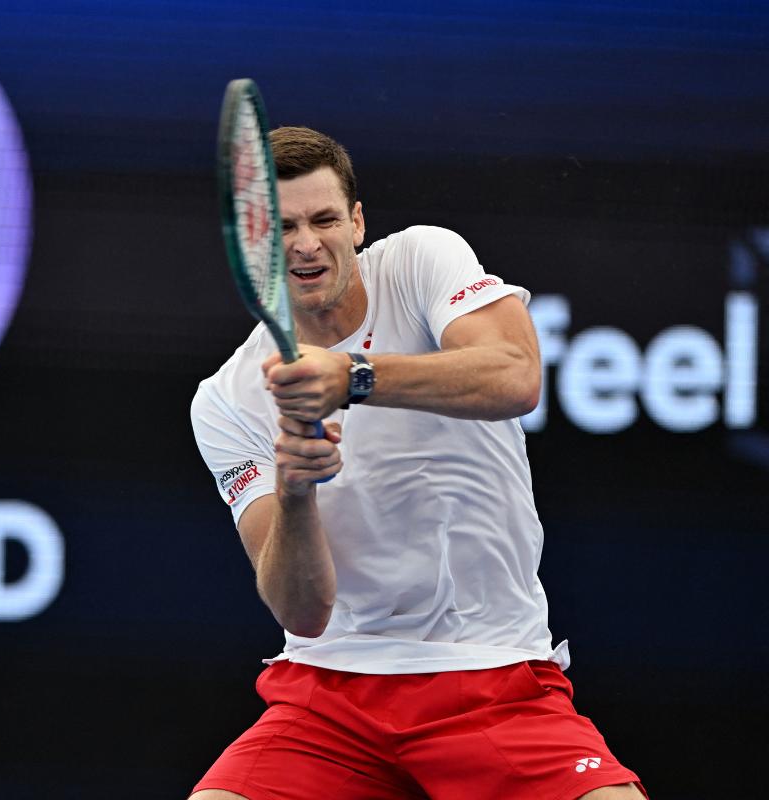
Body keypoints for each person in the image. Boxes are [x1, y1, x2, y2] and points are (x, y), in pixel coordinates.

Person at [188, 126, 645, 800]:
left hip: (493, 678)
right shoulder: (225, 401)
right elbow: (303, 612)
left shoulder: (423, 258)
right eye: (281, 227)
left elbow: (516, 377)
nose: (307, 244)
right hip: (327, 700)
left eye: (324, 219)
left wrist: (354, 376)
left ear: (358, 223)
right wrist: (294, 491)